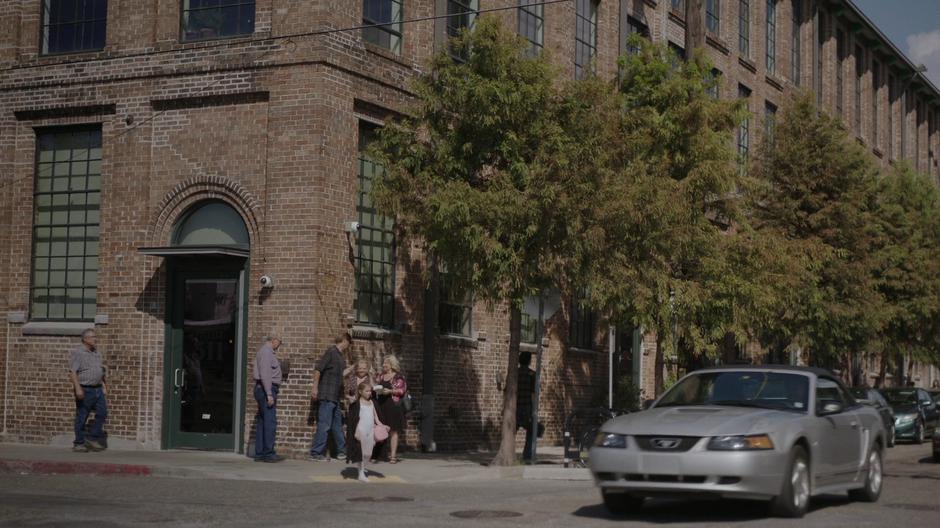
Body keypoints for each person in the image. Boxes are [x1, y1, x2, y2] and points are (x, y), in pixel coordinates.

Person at [309, 332, 351, 461]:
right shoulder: (331, 352)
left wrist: (353, 368)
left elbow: (342, 374)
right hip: (327, 395)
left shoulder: (340, 356)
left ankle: (342, 452)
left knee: (337, 425)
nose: (348, 346)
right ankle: (316, 453)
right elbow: (318, 369)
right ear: (344, 340)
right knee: (325, 425)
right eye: (348, 343)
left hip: (335, 397)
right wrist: (315, 388)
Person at [68, 328, 108, 452]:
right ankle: (79, 443)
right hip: (85, 389)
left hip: (98, 389)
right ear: (85, 339)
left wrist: (104, 386)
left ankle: (92, 438)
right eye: (92, 337)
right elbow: (73, 372)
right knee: (82, 416)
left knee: (102, 413)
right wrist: (78, 388)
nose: (95, 339)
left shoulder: (97, 353)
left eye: (95, 337)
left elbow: (100, 371)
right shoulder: (79, 353)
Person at [252, 336, 284, 462]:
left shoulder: (263, 351)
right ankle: (268, 453)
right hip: (267, 390)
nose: (279, 345)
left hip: (263, 389)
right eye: (280, 342)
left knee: (263, 422)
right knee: (270, 422)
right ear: (274, 340)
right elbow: (265, 373)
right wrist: (269, 393)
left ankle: (260, 453)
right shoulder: (266, 352)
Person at [347, 381, 385, 482]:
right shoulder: (357, 403)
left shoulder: (372, 402)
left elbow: (376, 418)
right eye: (367, 391)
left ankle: (362, 468)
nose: (369, 393)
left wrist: (382, 425)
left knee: (368, 453)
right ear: (360, 391)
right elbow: (354, 419)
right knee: (361, 452)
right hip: (361, 430)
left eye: (370, 391)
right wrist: (356, 431)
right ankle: (361, 473)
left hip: (370, 430)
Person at [374, 355, 407, 463]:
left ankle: (393, 456)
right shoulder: (381, 376)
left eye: (386, 363)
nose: (384, 365)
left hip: (393, 406)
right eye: (384, 363)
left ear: (392, 364)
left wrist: (390, 391)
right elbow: (375, 385)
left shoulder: (398, 376)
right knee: (380, 430)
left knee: (393, 431)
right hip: (381, 405)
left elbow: (402, 390)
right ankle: (380, 455)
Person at [516, 352, 535, 461]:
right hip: (527, 406)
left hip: (516, 406)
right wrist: (534, 409)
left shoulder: (515, 373)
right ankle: (526, 455)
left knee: (512, 430)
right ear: (529, 361)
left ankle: (508, 450)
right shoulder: (532, 374)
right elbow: (533, 393)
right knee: (531, 430)